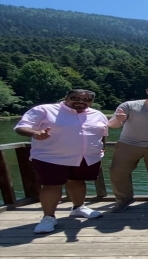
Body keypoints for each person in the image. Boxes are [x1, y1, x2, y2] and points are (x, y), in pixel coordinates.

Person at [14, 89, 108, 234]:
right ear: (66, 97)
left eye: (87, 100)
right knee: (51, 186)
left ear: (91, 101)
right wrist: (35, 133)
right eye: (75, 97)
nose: (81, 101)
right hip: (51, 157)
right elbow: (21, 127)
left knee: (77, 181)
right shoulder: (44, 110)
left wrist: (102, 147)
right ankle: (48, 217)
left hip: (86, 157)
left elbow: (102, 133)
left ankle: (78, 208)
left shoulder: (98, 114)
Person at [108, 83, 148, 212]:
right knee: (118, 172)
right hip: (128, 144)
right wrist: (119, 120)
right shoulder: (129, 105)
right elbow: (113, 125)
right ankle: (124, 199)